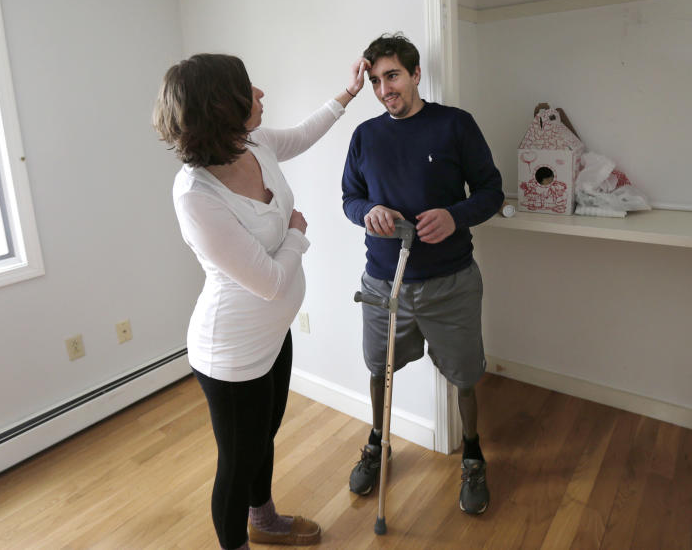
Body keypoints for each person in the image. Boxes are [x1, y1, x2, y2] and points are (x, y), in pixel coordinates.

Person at [154, 53, 368, 550]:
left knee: (263, 435)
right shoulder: (195, 194)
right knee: (238, 460)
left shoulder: (254, 145)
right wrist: (297, 233)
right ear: (221, 107)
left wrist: (349, 93)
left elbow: (303, 133)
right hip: (230, 351)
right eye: (250, 90)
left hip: (274, 334)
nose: (261, 95)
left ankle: (264, 519)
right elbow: (269, 281)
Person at [341, 33, 504, 514]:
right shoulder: (365, 136)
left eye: (392, 76)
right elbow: (349, 198)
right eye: (375, 80)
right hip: (382, 284)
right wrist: (367, 210)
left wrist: (456, 215)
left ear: (415, 74)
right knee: (379, 369)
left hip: (450, 282)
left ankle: (472, 453)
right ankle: (377, 442)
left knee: (465, 374)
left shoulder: (455, 125)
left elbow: (492, 191)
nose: (383, 88)